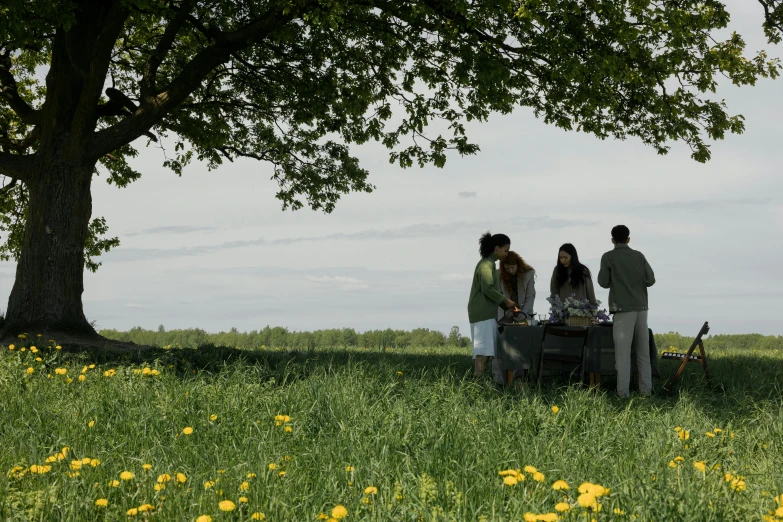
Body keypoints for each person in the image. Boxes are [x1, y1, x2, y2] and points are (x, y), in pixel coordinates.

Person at [597, 225, 656, 398]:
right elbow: (651, 280)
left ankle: (623, 393)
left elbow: (603, 282)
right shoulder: (639, 256)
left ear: (612, 240)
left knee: (622, 355)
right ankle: (646, 392)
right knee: (643, 353)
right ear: (628, 239)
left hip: (622, 310)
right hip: (641, 308)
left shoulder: (608, 257)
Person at [467, 232, 517, 377]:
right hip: (482, 312)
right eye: (505, 250)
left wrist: (506, 306)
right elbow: (487, 289)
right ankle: (477, 380)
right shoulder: (486, 265)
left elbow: (492, 292)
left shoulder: (489, 264)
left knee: (487, 350)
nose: (506, 254)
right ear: (496, 248)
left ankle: (479, 379)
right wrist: (506, 301)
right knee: (483, 350)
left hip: (486, 312)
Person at [497, 251, 536, 323]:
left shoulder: (528, 273)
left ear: (518, 264)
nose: (510, 270)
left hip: (525, 312)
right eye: (507, 268)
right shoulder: (498, 274)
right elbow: (498, 295)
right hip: (506, 315)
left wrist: (524, 312)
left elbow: (530, 296)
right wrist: (507, 310)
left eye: (512, 267)